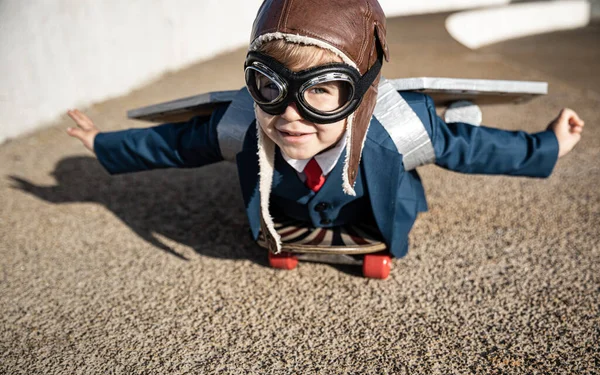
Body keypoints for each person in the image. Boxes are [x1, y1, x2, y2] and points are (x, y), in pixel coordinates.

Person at [66, 0, 584, 261]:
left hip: (367, 215)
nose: (288, 113)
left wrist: (548, 144)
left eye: (321, 88)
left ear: (362, 93)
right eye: (266, 85)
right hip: (289, 216)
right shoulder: (244, 124)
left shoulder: (402, 125)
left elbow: (471, 147)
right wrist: (101, 143)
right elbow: (176, 143)